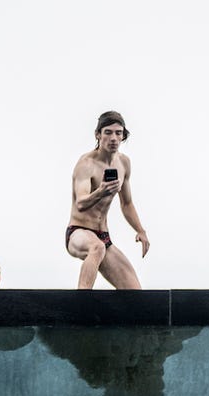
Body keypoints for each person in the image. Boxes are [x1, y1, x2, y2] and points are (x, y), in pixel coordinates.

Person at [66, 110, 150, 290]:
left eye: (118, 133)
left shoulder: (124, 163)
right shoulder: (86, 164)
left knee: (136, 293)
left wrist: (141, 230)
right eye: (108, 132)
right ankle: (80, 306)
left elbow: (126, 204)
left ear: (123, 136)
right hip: (78, 232)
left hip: (104, 237)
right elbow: (81, 203)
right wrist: (101, 191)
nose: (113, 138)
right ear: (98, 134)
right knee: (97, 248)